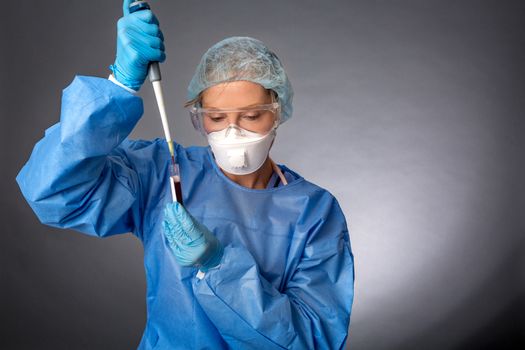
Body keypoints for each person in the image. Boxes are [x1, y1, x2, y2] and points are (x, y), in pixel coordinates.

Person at [16, 0, 355, 348]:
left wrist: (218, 265)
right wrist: (120, 84)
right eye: (216, 118)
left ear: (278, 112)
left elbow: (314, 340)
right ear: (198, 116)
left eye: (252, 116)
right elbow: (54, 192)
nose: (233, 133)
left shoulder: (314, 212)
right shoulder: (165, 171)